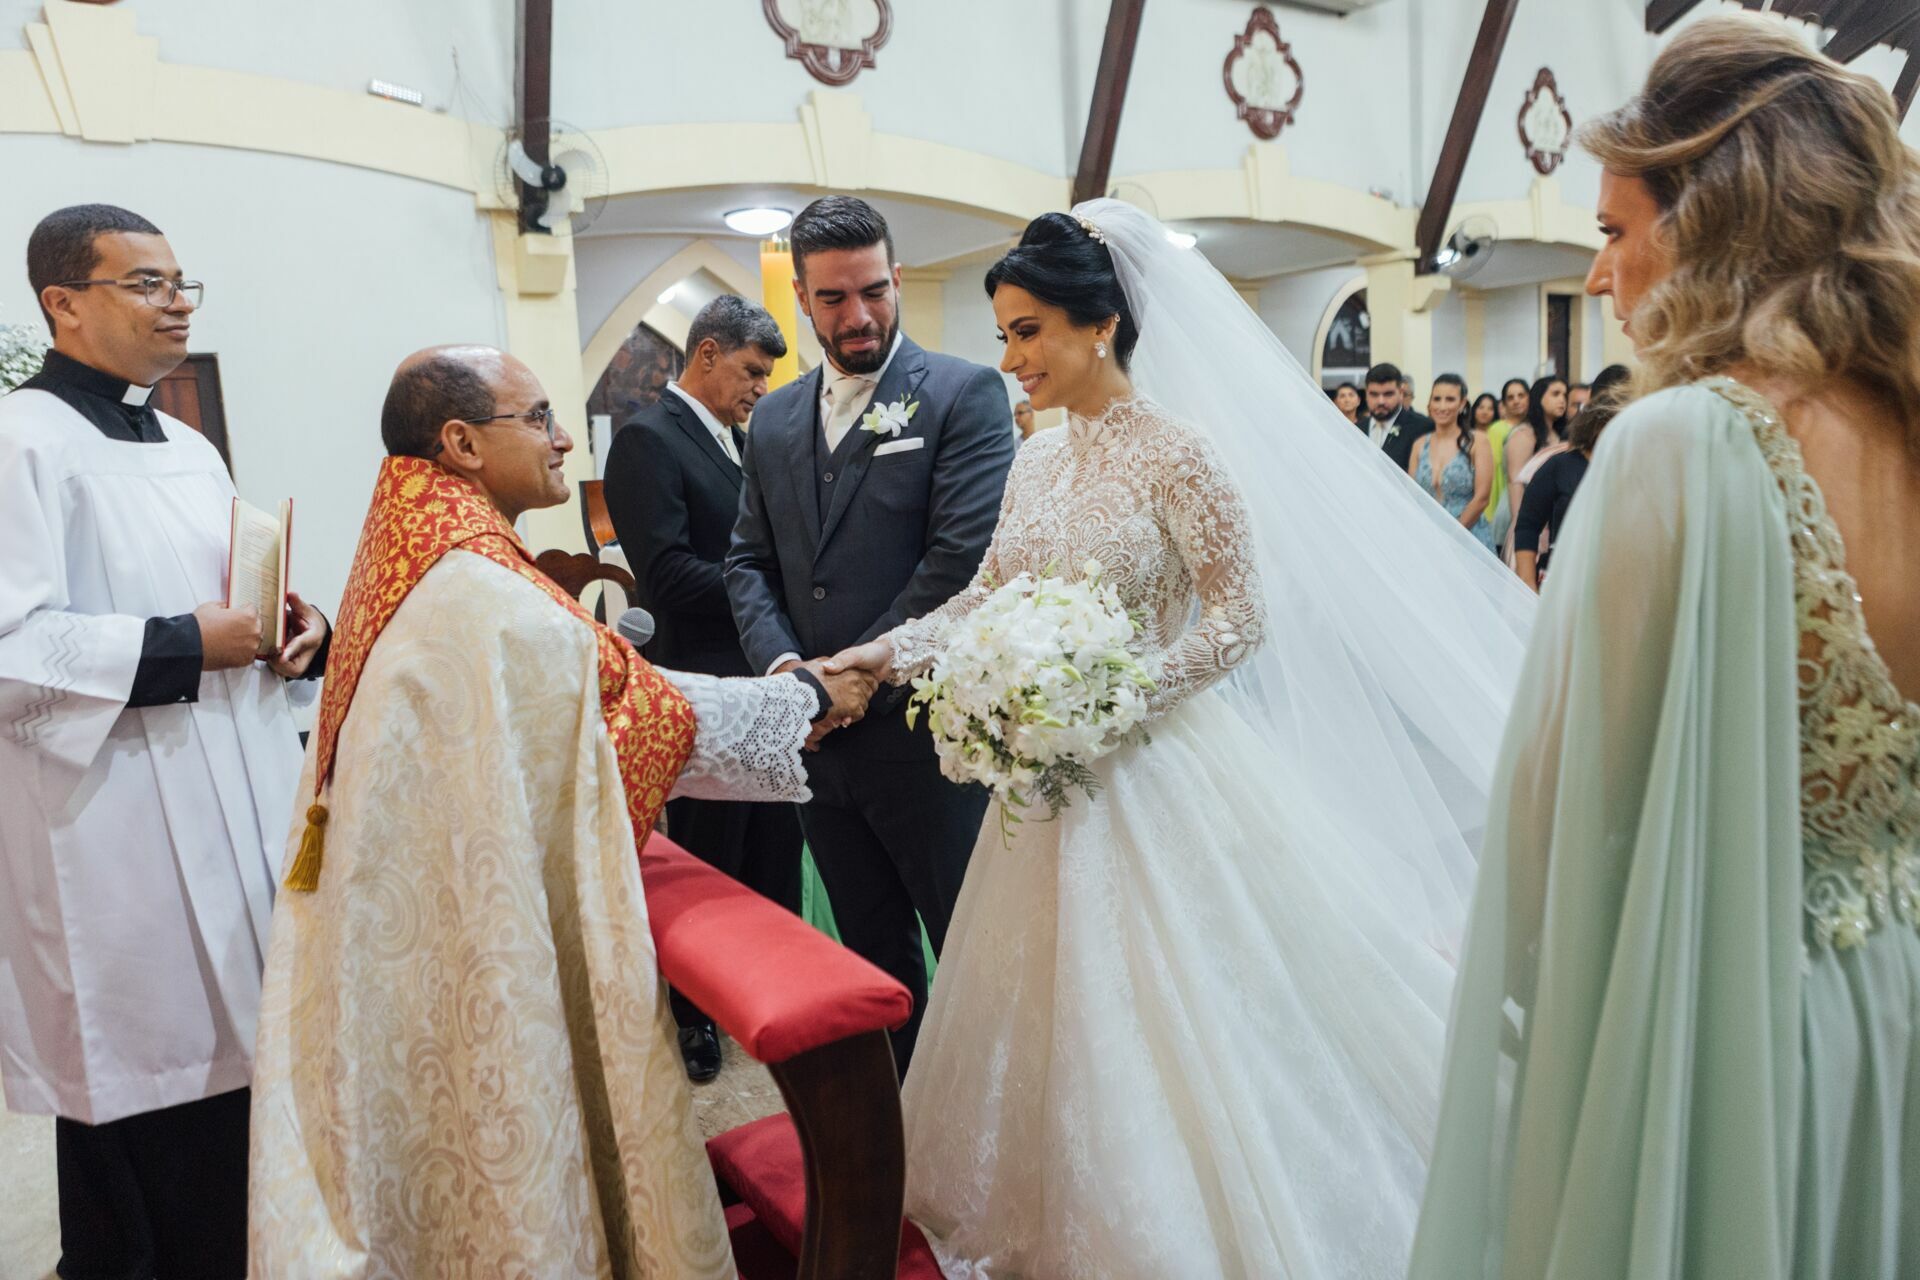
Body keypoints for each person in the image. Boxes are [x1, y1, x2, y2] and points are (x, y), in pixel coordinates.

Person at [827, 202, 1535, 1277]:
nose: (1011, 357)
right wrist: (889, 652)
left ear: (1099, 323)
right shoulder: (1039, 460)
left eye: (1028, 331)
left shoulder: (1181, 456)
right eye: (1005, 333)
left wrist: (1113, 697)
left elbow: (1241, 617)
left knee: (1189, 1019)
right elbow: (988, 595)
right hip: (1050, 791)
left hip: (1157, 772)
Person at [1413, 17, 1920, 1278]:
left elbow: (1569, 800)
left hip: (1736, 1021)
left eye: (1611, 230)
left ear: (1710, 223)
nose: (1599, 276)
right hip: (1896, 997)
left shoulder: (1688, 443)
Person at [248, 345, 865, 1276]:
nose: (563, 438)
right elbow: (638, 713)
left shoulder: (415, 539)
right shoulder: (482, 590)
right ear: (460, 442)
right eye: (537, 417)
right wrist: (809, 701)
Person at [0, 204, 328, 1280]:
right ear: (63, 304)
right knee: (142, 1095)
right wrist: (188, 641)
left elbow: (234, 595)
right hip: (114, 824)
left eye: (182, 281)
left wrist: (291, 627)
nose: (176, 300)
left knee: (244, 1082)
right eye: (145, 283)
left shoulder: (185, 443)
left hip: (233, 791)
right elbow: (10, 650)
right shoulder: (20, 443)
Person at [724, 196, 1016, 1072]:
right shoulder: (773, 419)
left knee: (968, 958)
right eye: (835, 299)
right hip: (815, 742)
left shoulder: (964, 393)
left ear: (895, 280)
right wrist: (791, 676)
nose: (859, 317)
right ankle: (904, 1131)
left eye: (876, 291)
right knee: (872, 965)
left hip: (927, 740)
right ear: (802, 303)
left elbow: (959, 561)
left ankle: (981, 1134)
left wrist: (859, 675)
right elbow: (748, 562)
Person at [603, 294, 807, 1083]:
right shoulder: (649, 442)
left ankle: (771, 991)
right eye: (752, 371)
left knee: (770, 850)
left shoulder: (736, 440)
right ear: (709, 353)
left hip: (759, 677)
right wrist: (772, 587)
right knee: (708, 859)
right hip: (698, 683)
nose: (759, 386)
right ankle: (690, 1015)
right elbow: (666, 575)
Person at [1512, 362, 1630, 589]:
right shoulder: (1561, 465)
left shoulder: (1640, 467)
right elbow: (1527, 525)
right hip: (1563, 581)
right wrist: (1527, 584)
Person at [1411, 372, 1495, 550]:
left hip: (1468, 536)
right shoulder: (1419, 445)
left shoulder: (1477, 441)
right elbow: (1413, 497)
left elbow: (1482, 497)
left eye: (1450, 399)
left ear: (1462, 403)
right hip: (1428, 538)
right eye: (1437, 399)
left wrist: (1452, 537)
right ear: (1429, 403)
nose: (1442, 406)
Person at [1501, 373, 1569, 560]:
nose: (1562, 400)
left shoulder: (1559, 435)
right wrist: (1523, 530)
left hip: (1555, 523)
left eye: (1564, 395)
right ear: (1539, 397)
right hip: (1532, 524)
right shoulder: (1524, 435)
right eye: (1555, 394)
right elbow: (1515, 483)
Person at [1360, 359, 1434, 471]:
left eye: (1388, 394)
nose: (1381, 401)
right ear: (1366, 393)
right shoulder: (1356, 429)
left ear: (1401, 393)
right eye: (1374, 394)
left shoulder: (1422, 427)